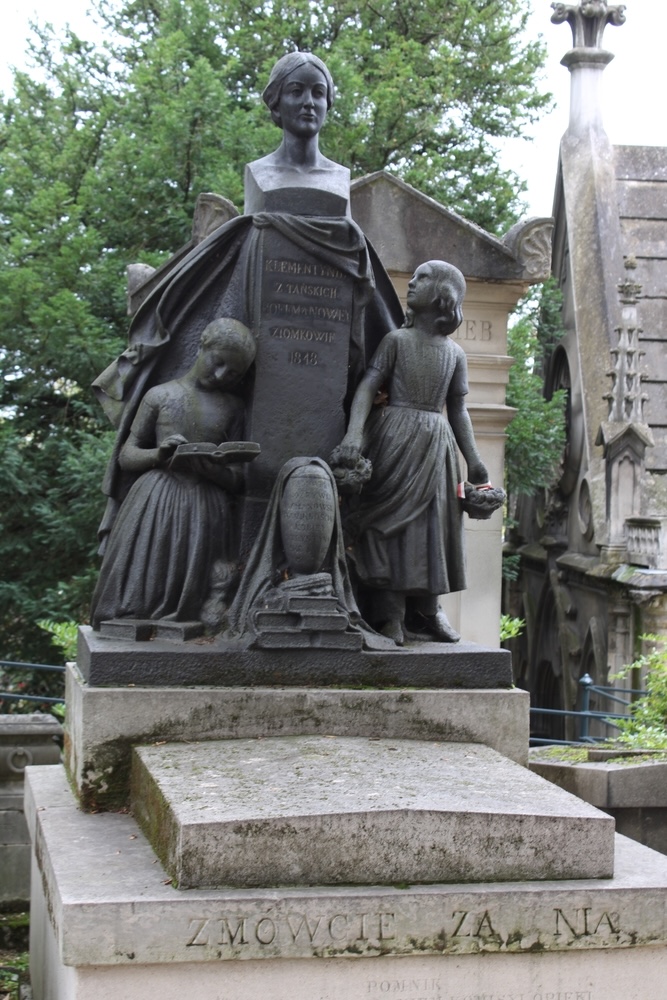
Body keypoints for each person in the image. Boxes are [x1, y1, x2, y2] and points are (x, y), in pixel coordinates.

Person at [331, 261, 492, 646]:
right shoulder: (396, 342)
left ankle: (429, 612)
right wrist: (354, 434)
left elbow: (458, 410)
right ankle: (390, 615)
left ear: (442, 295)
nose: (412, 284)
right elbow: (368, 387)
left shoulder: (455, 354)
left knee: (433, 530)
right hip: (394, 439)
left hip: (436, 448)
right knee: (390, 529)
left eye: (421, 278)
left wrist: (474, 460)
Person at [90, 319, 256, 628]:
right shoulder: (160, 395)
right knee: (147, 574)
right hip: (157, 499)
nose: (221, 375)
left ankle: (184, 619)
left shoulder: (233, 407)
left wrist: (215, 471)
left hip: (206, 505)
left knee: (191, 576)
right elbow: (127, 454)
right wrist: (159, 454)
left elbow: (238, 477)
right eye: (217, 362)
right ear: (202, 345)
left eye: (233, 373)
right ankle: (133, 621)